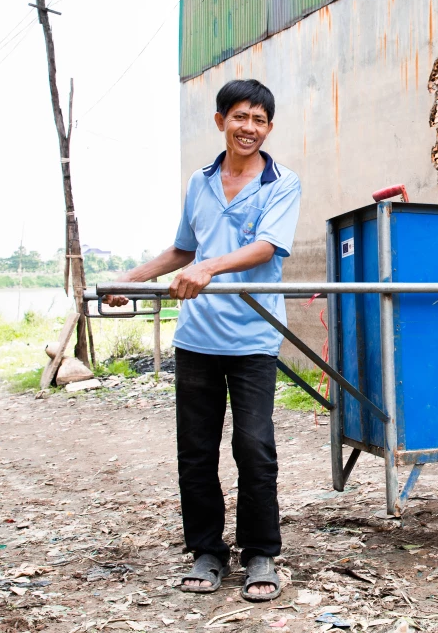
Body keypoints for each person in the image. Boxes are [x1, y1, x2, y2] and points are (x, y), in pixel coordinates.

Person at [105, 79, 301, 601]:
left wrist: (209, 267)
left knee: (254, 446)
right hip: (197, 339)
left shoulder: (282, 182)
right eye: (240, 117)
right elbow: (181, 250)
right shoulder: (200, 181)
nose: (249, 128)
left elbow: (267, 247)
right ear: (221, 121)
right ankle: (208, 551)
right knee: (195, 451)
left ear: (269, 128)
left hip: (254, 337)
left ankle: (260, 552)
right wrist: (133, 279)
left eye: (259, 120)